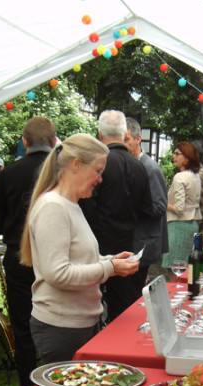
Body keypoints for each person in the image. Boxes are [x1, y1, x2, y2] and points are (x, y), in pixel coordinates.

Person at [20, 133, 139, 364]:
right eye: (97, 171)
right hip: (62, 328)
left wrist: (110, 261)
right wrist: (109, 267)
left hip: (77, 325)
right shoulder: (53, 207)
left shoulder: (70, 204)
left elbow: (77, 259)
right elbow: (58, 274)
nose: (100, 179)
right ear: (76, 165)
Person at [0, 116, 56, 386]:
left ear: (24, 142)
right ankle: (56, 381)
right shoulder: (62, 171)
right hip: (54, 256)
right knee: (56, 319)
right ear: (54, 141)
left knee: (22, 323)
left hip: (19, 256)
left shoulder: (9, 173)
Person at [79, 110, 153, 322]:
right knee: (122, 308)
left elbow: (87, 203)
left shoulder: (99, 165)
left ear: (100, 134)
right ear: (123, 134)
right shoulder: (139, 167)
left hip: (97, 243)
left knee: (90, 303)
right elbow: (147, 209)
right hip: (128, 245)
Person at [124, 117, 169, 289]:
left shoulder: (150, 168)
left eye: (127, 139)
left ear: (138, 139)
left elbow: (159, 207)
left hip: (143, 244)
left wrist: (131, 204)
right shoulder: (132, 164)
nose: (123, 144)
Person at [161, 142, 201, 280]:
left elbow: (178, 208)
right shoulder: (196, 176)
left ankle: (175, 298)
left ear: (187, 158)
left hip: (178, 225)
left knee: (174, 271)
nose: (174, 156)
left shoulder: (180, 177)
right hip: (192, 224)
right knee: (185, 271)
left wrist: (162, 203)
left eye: (178, 154)